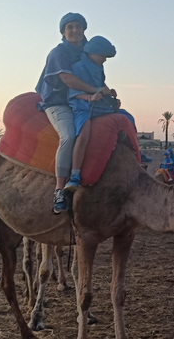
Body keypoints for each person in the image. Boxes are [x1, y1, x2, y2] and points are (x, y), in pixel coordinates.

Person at [36, 13, 107, 214]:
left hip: (82, 101)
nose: (75, 30)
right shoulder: (58, 54)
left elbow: (97, 79)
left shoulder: (89, 53)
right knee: (69, 135)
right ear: (63, 32)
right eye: (70, 27)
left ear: (84, 29)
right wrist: (95, 91)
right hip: (59, 103)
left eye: (78, 26)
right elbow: (68, 79)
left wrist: (107, 93)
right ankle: (59, 189)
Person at [64, 35, 136, 192]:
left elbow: (100, 86)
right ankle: (75, 175)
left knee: (128, 117)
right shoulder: (78, 68)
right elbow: (74, 93)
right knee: (84, 132)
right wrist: (90, 97)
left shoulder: (98, 68)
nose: (104, 59)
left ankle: (137, 156)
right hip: (82, 106)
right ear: (93, 52)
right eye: (103, 55)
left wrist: (110, 95)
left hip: (98, 106)